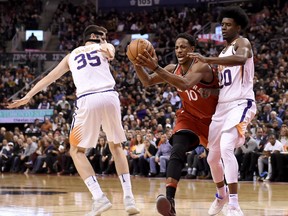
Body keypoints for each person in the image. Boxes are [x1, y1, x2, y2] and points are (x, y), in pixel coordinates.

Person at [7, 25, 139, 216]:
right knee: (116, 147)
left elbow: (49, 78)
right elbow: (110, 51)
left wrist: (28, 96)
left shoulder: (71, 55)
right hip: (110, 97)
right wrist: (107, 48)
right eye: (102, 37)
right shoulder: (104, 46)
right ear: (94, 36)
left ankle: (99, 197)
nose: (105, 39)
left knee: (76, 151)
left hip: (88, 99)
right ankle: (129, 199)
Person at [130, 32, 219, 216]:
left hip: (213, 121)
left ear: (192, 50)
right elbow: (147, 81)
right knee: (177, 148)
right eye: (177, 47)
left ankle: (225, 195)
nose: (179, 50)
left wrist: (155, 66)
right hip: (189, 117)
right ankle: (170, 200)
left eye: (183, 47)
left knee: (217, 160)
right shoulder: (172, 68)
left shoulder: (201, 66)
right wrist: (137, 64)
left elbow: (185, 84)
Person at [188, 6, 257, 216]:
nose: (224, 28)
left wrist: (208, 60)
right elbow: (228, 82)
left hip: (240, 103)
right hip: (222, 107)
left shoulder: (242, 43)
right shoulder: (222, 51)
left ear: (238, 26)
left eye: (228, 25)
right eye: (222, 25)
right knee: (212, 157)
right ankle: (221, 195)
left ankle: (234, 204)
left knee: (227, 147)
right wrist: (213, 91)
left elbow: (241, 59)